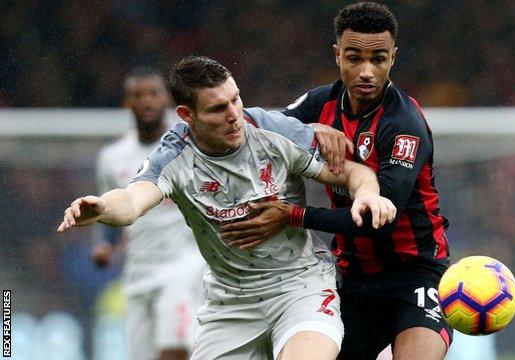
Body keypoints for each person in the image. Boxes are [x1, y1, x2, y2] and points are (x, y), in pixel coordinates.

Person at [58, 55, 396, 360]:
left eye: (235, 99)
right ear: (187, 116)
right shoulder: (174, 156)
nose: (235, 116)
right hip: (230, 304)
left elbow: (354, 172)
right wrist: (101, 206)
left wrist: (366, 193)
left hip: (299, 288)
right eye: (218, 109)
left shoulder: (271, 129)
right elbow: (132, 200)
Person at [221, 3, 452, 359]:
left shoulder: (404, 124)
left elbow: (379, 219)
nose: (366, 72)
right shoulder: (320, 102)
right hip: (354, 280)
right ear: (337, 55)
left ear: (393, 57)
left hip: (417, 274)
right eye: (354, 57)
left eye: (378, 59)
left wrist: (293, 215)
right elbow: (260, 132)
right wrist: (308, 129)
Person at [91, 66, 204, 360]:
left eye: (153, 93)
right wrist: (104, 244)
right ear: (126, 103)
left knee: (175, 349)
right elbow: (108, 214)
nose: (146, 101)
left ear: (167, 99)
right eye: (137, 95)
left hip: (182, 267)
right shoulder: (112, 158)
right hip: (137, 272)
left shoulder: (187, 147)